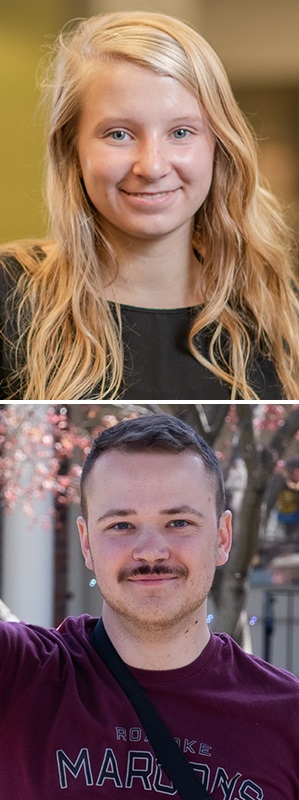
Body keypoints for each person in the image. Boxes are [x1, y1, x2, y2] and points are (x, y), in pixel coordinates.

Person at [0, 11, 299, 401]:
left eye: (180, 132)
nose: (153, 166)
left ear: (219, 145)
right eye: (119, 134)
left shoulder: (273, 304)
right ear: (71, 149)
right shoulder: (11, 296)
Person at [1, 414, 298, 799]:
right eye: (121, 525)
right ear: (87, 543)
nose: (151, 551)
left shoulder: (288, 719)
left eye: (178, 522)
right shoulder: (20, 674)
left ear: (223, 538)